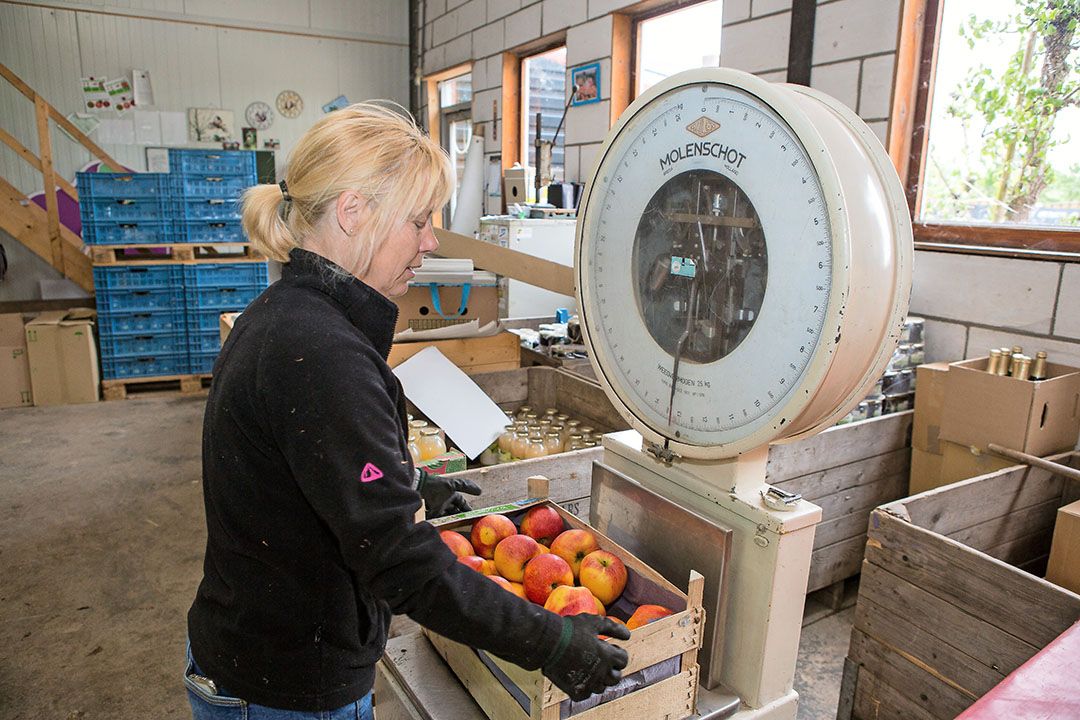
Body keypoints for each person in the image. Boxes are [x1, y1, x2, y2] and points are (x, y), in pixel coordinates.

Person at [184, 102, 630, 719]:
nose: (431, 241)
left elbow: (304, 466)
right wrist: (549, 640)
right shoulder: (320, 354)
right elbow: (399, 562)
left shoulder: (288, 317)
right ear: (353, 212)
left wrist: (409, 480)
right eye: (419, 221)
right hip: (283, 685)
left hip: (254, 647)